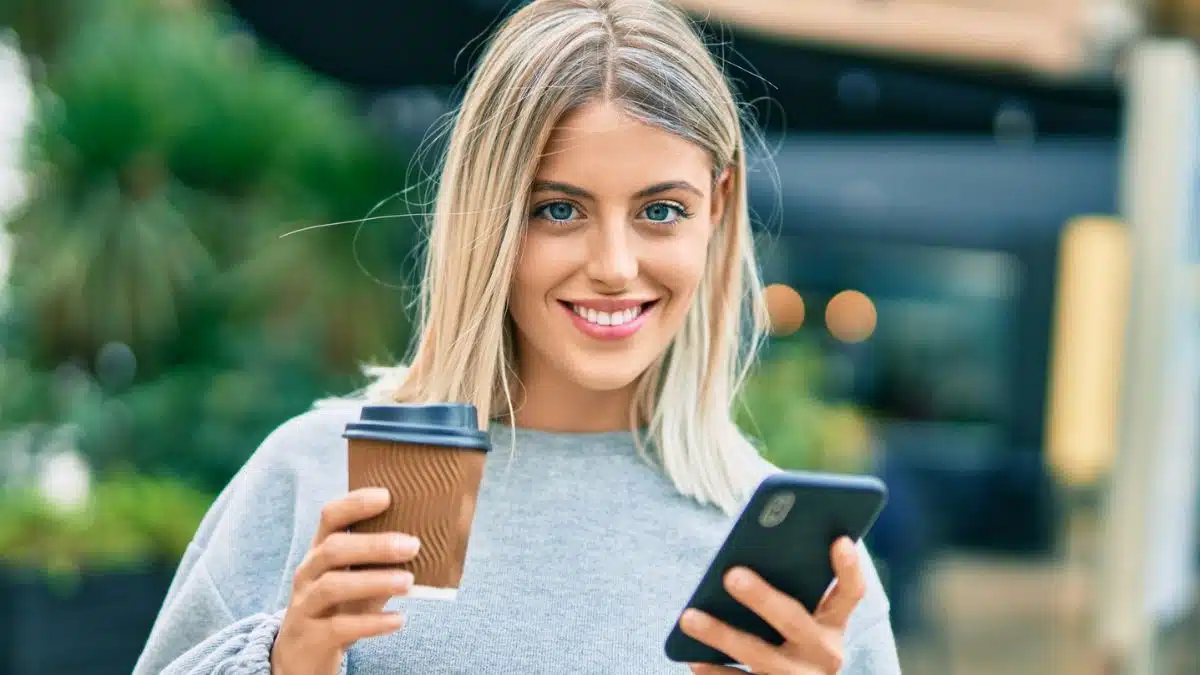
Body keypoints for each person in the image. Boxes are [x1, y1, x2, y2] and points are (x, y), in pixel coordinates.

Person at [134, 0, 901, 673]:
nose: (614, 265)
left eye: (661, 210)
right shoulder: (319, 477)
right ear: (488, 211)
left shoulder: (799, 576)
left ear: (719, 206)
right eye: (558, 209)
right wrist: (290, 666)